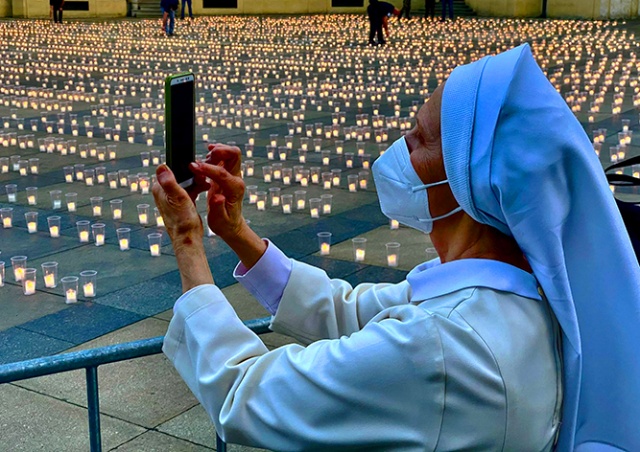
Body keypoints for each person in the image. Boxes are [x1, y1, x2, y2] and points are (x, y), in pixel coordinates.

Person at [154, 44, 640, 450]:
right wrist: (237, 232)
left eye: (422, 138)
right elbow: (346, 310)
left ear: (471, 181)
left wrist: (187, 241)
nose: (400, 147)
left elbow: (246, 394)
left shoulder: (446, 344)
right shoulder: (522, 289)